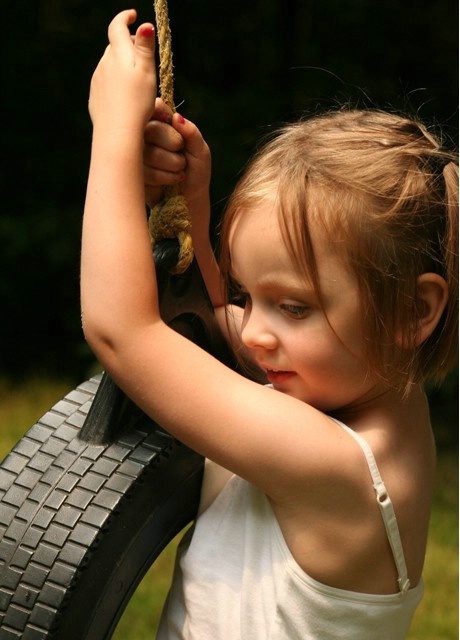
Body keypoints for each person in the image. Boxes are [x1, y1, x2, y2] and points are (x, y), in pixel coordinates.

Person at [81, 9, 458, 639]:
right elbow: (201, 320)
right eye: (248, 295)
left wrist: (112, 134)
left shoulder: (339, 469)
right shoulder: (364, 388)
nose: (251, 332)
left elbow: (125, 331)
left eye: (295, 307)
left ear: (414, 311)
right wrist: (193, 208)